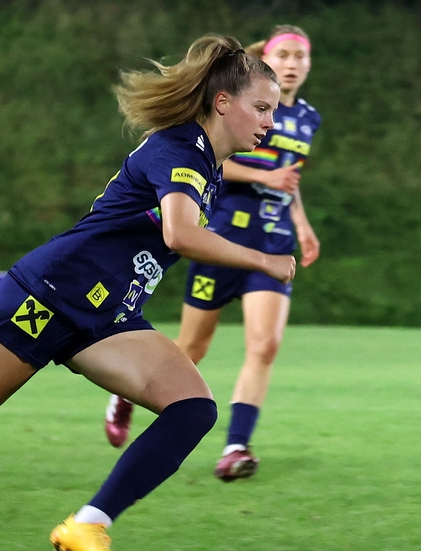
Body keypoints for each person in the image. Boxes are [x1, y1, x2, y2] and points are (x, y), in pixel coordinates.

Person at [0, 35, 295, 551]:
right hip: (48, 295)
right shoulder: (179, 147)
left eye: (274, 110)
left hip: (106, 316)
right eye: (262, 108)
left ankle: (87, 525)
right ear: (223, 103)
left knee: (193, 407)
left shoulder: (206, 163)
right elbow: (181, 234)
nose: (270, 122)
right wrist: (265, 260)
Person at [105, 25, 321, 483]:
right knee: (193, 348)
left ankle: (236, 445)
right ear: (269, 60)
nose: (293, 64)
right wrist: (264, 179)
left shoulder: (307, 118)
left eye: (301, 57)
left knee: (265, 345)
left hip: (273, 239)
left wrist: (301, 225)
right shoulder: (242, 101)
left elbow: (290, 179)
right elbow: (217, 157)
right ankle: (126, 391)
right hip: (220, 237)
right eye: (284, 55)